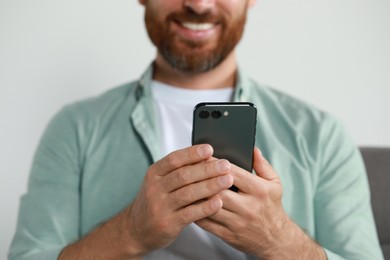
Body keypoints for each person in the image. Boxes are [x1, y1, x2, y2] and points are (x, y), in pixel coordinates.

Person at [9, 0, 384, 259]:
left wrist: (279, 241)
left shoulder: (321, 136)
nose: (200, 4)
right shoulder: (74, 128)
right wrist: (131, 233)